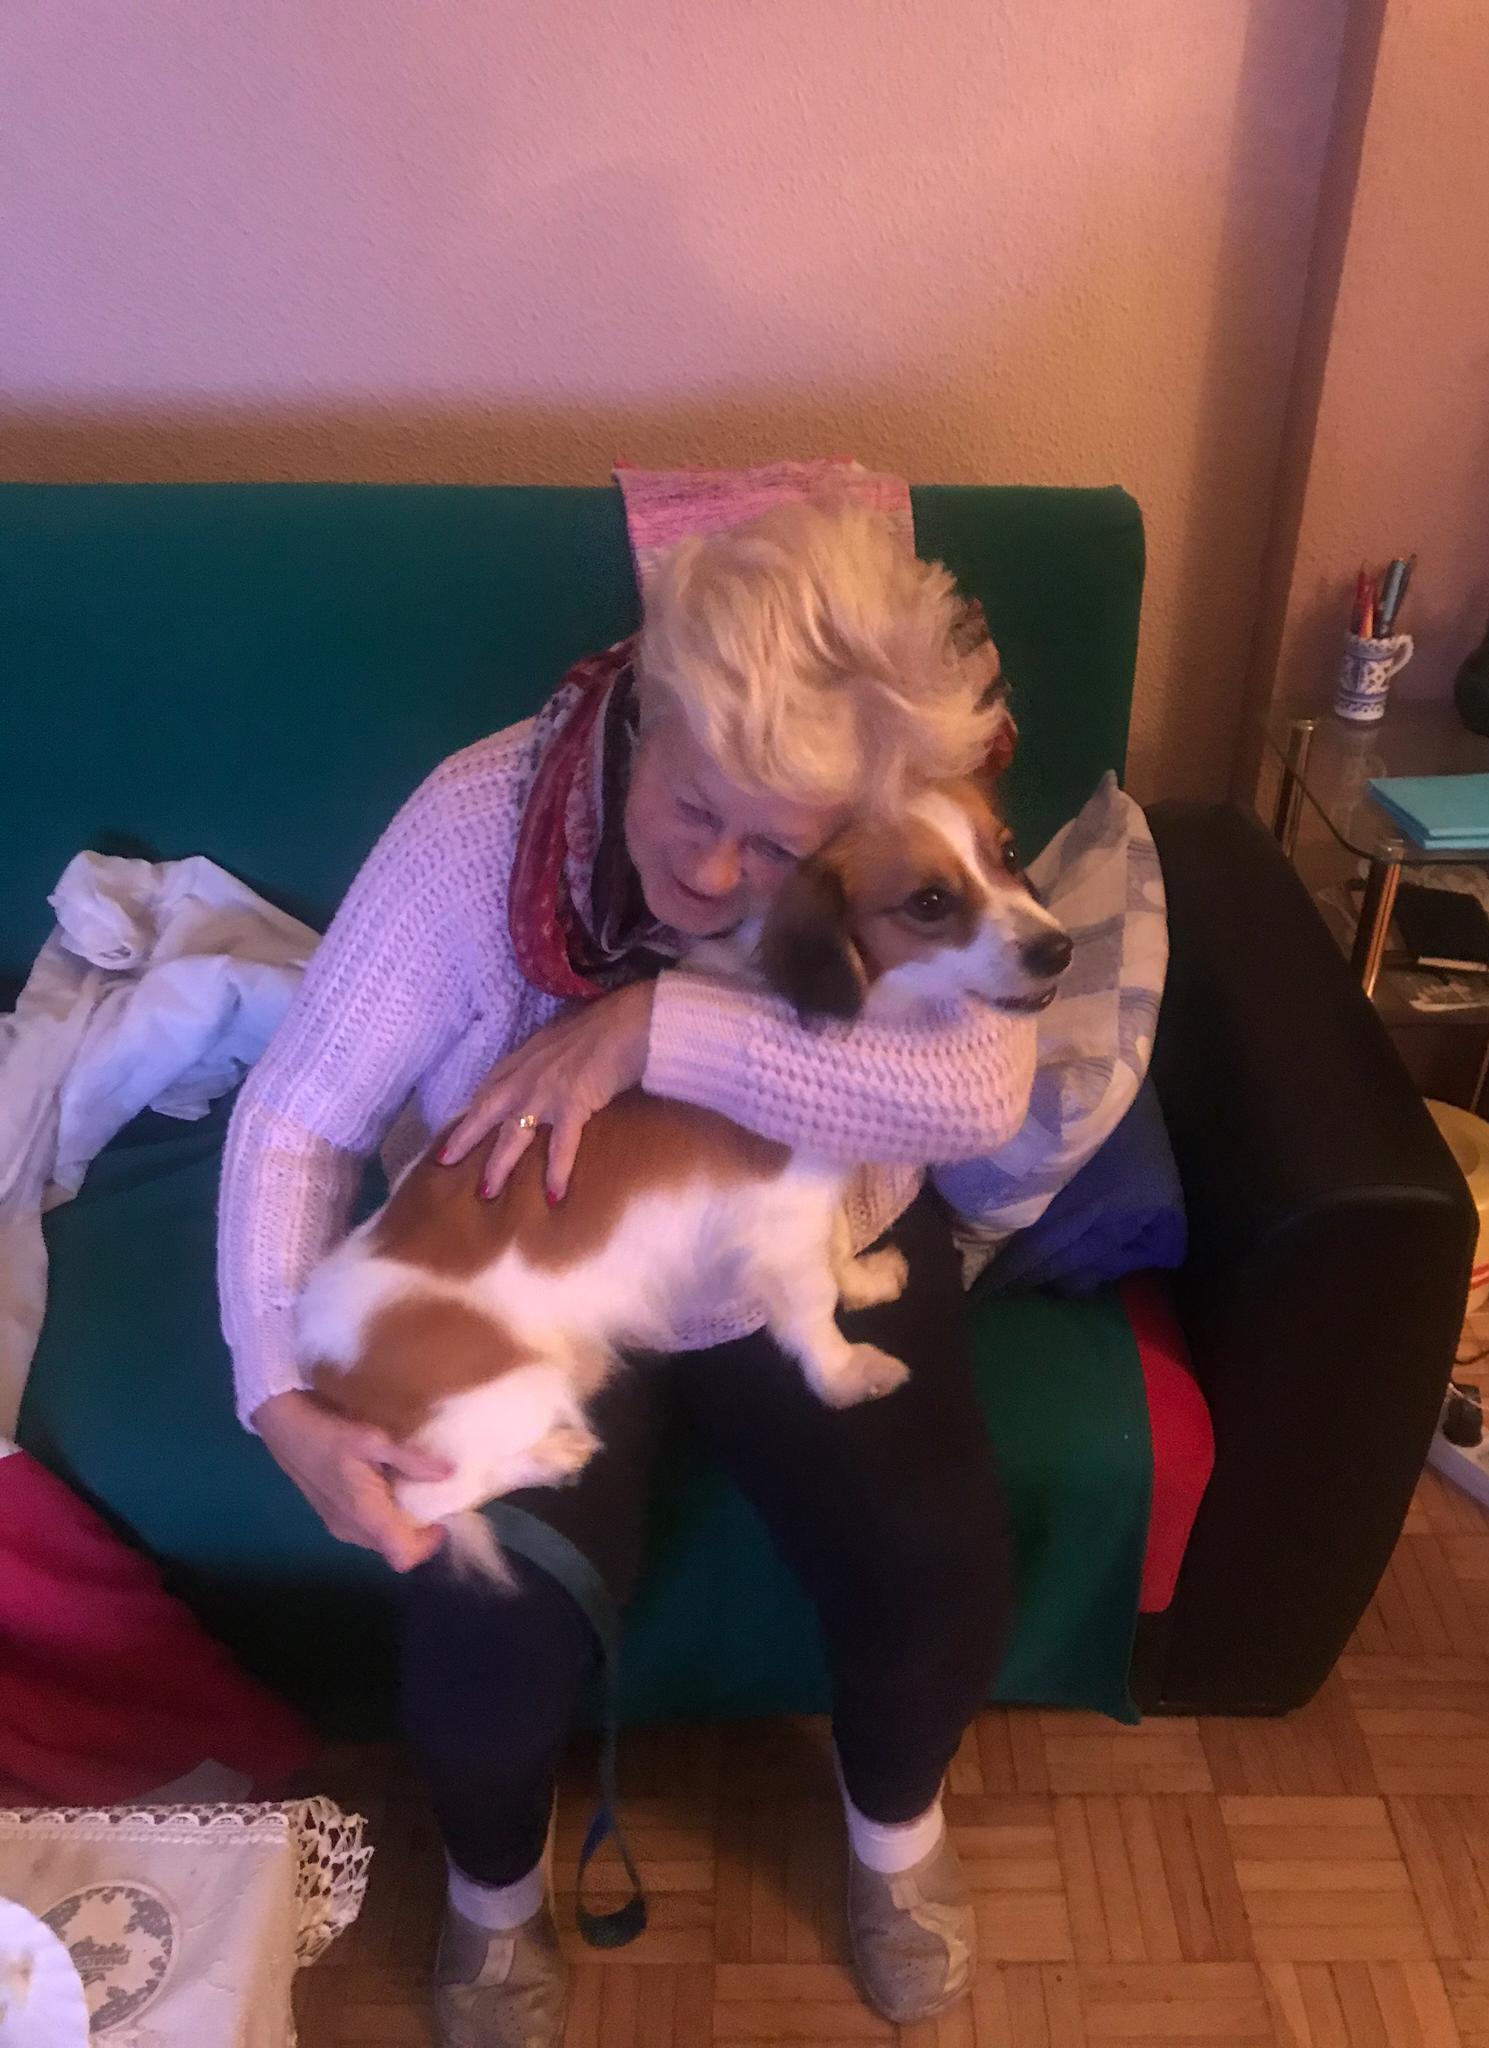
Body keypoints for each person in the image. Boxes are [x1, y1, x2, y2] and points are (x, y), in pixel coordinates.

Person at [218, 499, 1034, 2047]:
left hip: (811, 1243)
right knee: (488, 1622)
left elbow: (985, 1089)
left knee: (936, 1556)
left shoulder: (901, 816)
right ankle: (492, 1902)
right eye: (693, 805)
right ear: (646, 715)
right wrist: (275, 1387)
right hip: (536, 1268)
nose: (717, 871)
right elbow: (296, 1117)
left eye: (780, 845)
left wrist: (655, 1028)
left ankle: (895, 1839)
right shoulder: (474, 829)